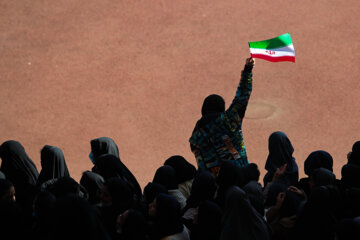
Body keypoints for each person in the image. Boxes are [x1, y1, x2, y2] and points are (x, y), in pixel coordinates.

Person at [189, 57, 255, 176]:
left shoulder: (195, 138)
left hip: (218, 187)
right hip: (241, 177)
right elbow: (243, 96)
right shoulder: (229, 120)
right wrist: (248, 70)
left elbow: (202, 166)